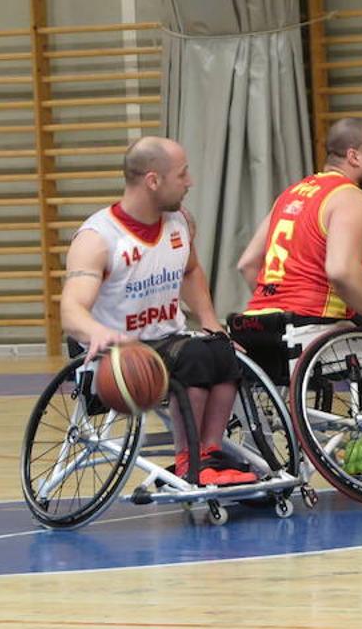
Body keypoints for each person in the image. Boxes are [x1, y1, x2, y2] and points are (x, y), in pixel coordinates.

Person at [233, 117, 362, 477]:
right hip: (307, 330)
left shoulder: (290, 194)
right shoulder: (352, 198)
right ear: (354, 156)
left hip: (259, 326)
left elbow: (247, 264)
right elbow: (340, 271)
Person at [61, 136, 255, 485]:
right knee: (195, 356)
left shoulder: (178, 222)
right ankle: (187, 460)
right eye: (182, 175)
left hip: (166, 340)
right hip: (114, 349)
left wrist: (211, 322)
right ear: (153, 180)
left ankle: (208, 452)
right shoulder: (98, 238)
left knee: (221, 350)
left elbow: (191, 270)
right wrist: (97, 332)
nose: (190, 182)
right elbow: (71, 310)